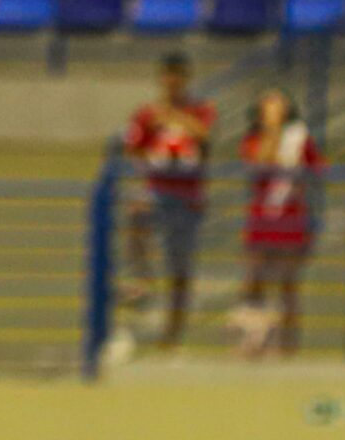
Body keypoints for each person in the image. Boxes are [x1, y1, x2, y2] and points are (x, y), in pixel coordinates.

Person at [124, 53, 216, 350]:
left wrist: (174, 117)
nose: (172, 81)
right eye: (168, 75)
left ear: (186, 79)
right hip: (157, 189)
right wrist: (146, 167)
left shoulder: (201, 110)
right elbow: (133, 147)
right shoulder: (146, 114)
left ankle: (173, 332)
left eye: (178, 75)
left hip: (188, 196)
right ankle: (142, 280)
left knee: (180, 267)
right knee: (135, 219)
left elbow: (205, 135)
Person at [237, 89, 324, 360]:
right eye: (268, 104)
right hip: (262, 219)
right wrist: (272, 132)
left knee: (288, 285)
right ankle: (253, 341)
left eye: (279, 103)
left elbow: (317, 169)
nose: (274, 107)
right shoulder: (252, 139)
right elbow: (260, 163)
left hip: (291, 218)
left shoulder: (299, 138)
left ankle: (288, 347)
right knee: (254, 281)